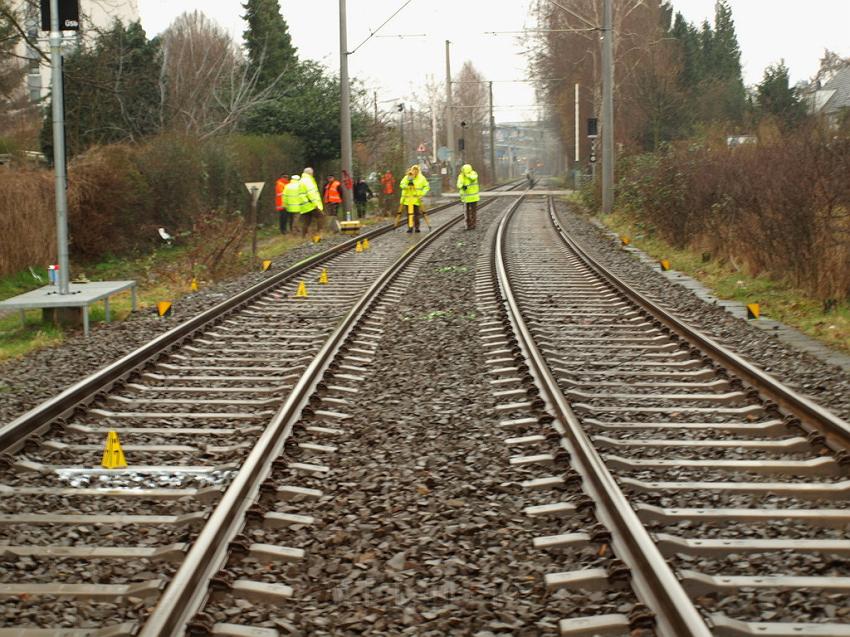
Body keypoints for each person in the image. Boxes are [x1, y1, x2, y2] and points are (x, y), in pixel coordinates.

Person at [398, 164, 430, 233]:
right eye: (414, 170)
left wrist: (422, 194)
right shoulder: (407, 177)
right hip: (407, 200)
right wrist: (406, 186)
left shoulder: (422, 178)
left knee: (416, 214)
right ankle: (410, 227)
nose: (415, 172)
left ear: (418, 171)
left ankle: (417, 227)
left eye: (416, 170)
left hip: (416, 200)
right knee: (409, 214)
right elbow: (401, 184)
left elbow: (427, 187)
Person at [301, 167, 324, 240]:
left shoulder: (301, 180)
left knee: (306, 222)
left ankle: (303, 236)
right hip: (311, 204)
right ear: (310, 173)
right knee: (321, 216)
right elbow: (311, 193)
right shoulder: (308, 181)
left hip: (304, 205)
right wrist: (316, 204)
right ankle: (319, 232)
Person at [457, 163, 480, 230]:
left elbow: (473, 178)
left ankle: (471, 225)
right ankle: (470, 225)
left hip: (470, 197)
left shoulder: (471, 174)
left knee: (469, 212)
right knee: (470, 212)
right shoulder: (462, 176)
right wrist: (462, 186)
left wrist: (466, 175)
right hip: (469, 197)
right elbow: (459, 184)